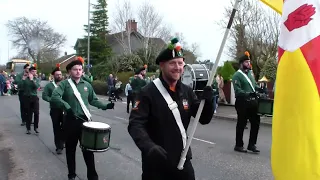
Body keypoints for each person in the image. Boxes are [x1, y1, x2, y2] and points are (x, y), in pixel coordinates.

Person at [128, 37, 214, 180]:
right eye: (172, 63)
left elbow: (203, 118)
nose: (177, 67)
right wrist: (149, 146)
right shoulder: (147, 92)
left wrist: (209, 101)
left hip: (182, 160)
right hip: (156, 163)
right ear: (162, 65)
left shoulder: (187, 91)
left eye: (180, 63)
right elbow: (135, 124)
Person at [51, 59, 115, 180]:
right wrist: (67, 107)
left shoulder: (87, 85)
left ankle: (92, 176)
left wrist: (105, 106)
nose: (78, 72)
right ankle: (71, 175)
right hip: (70, 121)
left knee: (88, 149)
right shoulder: (65, 84)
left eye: (80, 69)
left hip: (85, 121)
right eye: (75, 69)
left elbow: (93, 100)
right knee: (70, 149)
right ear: (70, 71)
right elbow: (55, 97)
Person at [232, 53, 261, 153]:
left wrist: (260, 89)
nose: (248, 63)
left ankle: (252, 144)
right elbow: (237, 90)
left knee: (256, 123)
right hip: (242, 103)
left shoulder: (250, 74)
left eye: (249, 62)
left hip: (252, 103)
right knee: (241, 123)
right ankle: (238, 145)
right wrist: (248, 94)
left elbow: (254, 86)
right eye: (246, 62)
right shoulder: (237, 75)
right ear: (241, 64)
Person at [42, 64, 64, 154]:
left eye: (60, 74)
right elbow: (44, 95)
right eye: (57, 75)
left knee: (65, 127)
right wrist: (51, 100)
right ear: (53, 76)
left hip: (65, 109)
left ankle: (63, 140)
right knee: (56, 128)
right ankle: (59, 146)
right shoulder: (49, 86)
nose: (59, 76)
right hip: (55, 110)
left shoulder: (65, 84)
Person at [18, 64, 40, 134]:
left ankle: (36, 127)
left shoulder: (36, 79)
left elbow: (36, 86)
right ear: (30, 72)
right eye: (33, 71)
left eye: (35, 72)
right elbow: (19, 86)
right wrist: (23, 79)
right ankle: (28, 128)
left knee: (36, 113)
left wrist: (32, 80)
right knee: (28, 113)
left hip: (34, 97)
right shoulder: (25, 79)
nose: (34, 73)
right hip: (26, 97)